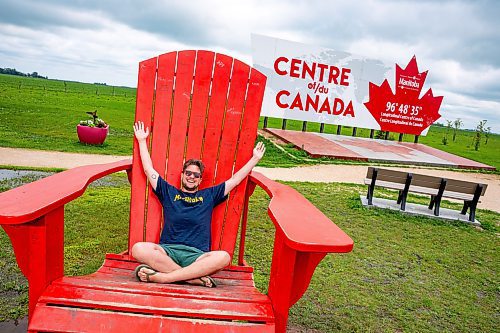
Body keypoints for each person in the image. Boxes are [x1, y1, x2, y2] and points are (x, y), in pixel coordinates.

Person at [131, 121, 265, 287]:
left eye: (196, 175)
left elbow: (235, 180)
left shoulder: (209, 195)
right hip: (168, 252)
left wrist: (255, 159)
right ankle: (192, 278)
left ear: (200, 179)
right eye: (188, 173)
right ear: (182, 175)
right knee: (138, 248)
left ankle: (164, 277)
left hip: (197, 257)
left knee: (223, 257)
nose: (191, 177)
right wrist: (142, 141)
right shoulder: (168, 192)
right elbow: (148, 170)